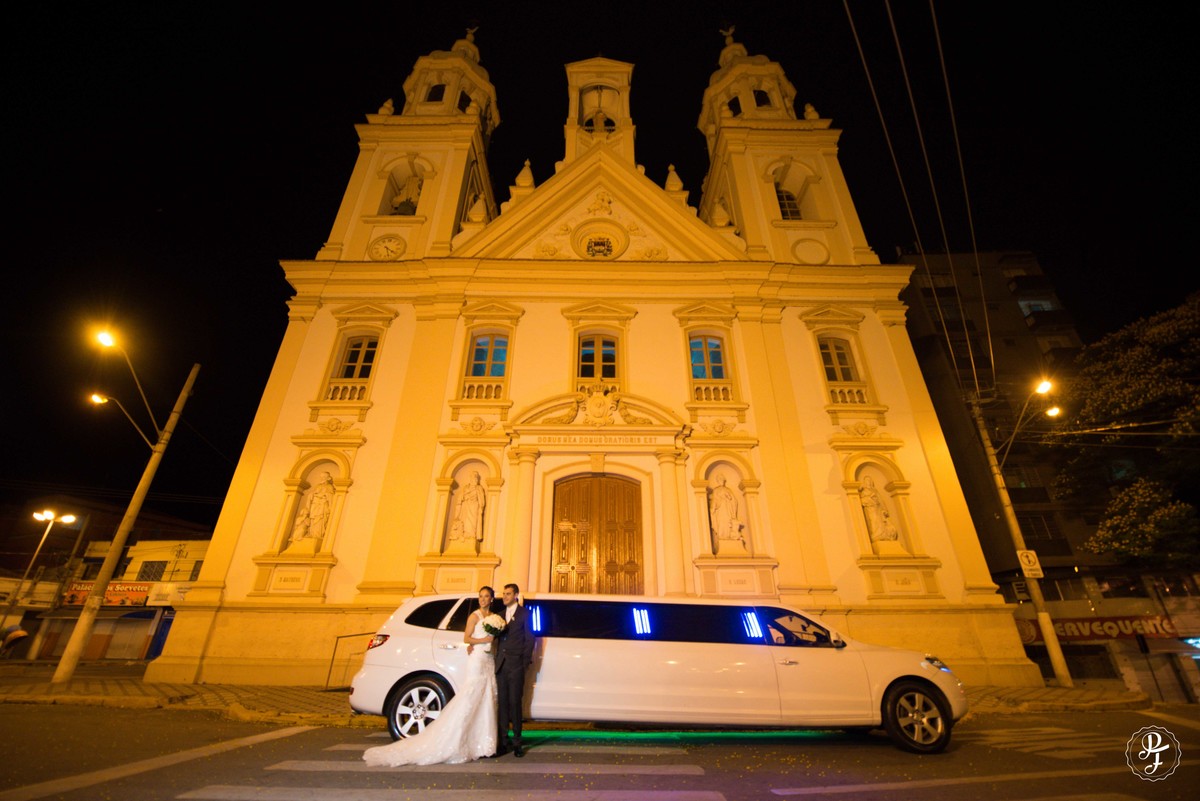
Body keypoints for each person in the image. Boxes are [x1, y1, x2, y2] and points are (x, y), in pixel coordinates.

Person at [362, 586, 499, 766]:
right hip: (477, 660)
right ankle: (456, 741)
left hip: (488, 660)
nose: (482, 599)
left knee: (486, 699)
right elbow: (467, 638)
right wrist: (483, 641)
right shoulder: (474, 616)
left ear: (491, 599)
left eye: (486, 596)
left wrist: (492, 642)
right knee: (470, 698)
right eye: (480, 596)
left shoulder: (495, 618)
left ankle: (482, 744)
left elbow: (494, 638)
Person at [493, 582, 536, 758]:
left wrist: (524, 663)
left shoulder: (526, 614)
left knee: (515, 703)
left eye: (509, 594)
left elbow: (530, 638)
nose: (505, 596)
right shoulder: (499, 616)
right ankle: (503, 742)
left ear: (516, 595)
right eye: (504, 593)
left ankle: (518, 742)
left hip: (516, 665)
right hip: (501, 665)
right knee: (502, 704)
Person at [452, 472, 486, 542]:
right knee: (464, 520)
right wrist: (465, 496)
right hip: (465, 506)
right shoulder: (466, 487)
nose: (475, 479)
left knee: (472, 522)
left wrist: (481, 507)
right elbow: (461, 496)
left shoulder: (479, 488)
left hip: (474, 506)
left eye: (476, 478)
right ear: (471, 478)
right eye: (473, 477)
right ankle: (463, 534)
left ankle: (471, 535)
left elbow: (481, 499)